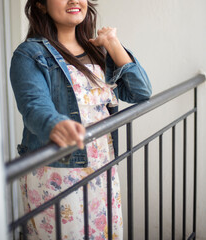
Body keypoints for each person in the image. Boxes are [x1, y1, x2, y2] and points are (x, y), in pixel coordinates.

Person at [10, 0, 152, 239]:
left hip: (102, 167)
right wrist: (55, 124)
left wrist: (113, 44)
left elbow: (141, 92)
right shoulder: (29, 54)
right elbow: (34, 105)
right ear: (41, 5)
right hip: (58, 171)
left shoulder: (98, 51)